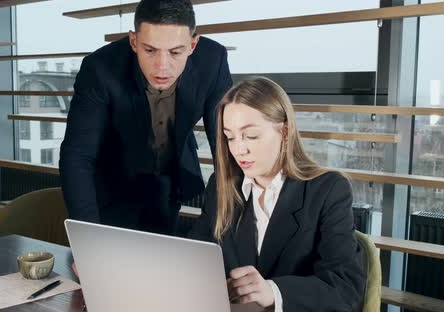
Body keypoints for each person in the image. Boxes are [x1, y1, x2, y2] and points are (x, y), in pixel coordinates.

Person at [189, 77, 365, 311]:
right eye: (230, 137)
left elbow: (346, 289)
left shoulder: (327, 190)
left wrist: (272, 291)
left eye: (250, 136)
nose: (239, 149)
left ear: (284, 131)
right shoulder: (221, 187)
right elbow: (193, 259)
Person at [59, 0, 232, 235]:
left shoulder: (212, 61)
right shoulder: (99, 68)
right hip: (111, 183)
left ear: (192, 44)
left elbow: (224, 146)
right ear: (134, 42)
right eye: (150, 50)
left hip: (169, 181)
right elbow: (77, 155)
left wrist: (229, 229)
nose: (162, 66)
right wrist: (86, 237)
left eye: (175, 52)